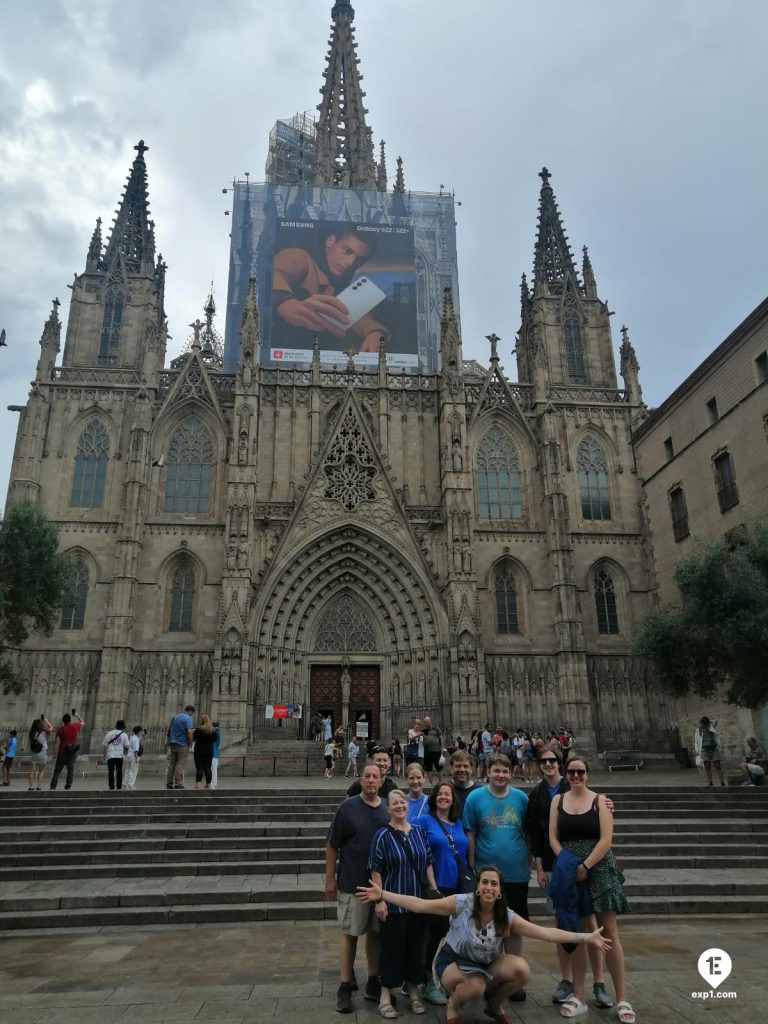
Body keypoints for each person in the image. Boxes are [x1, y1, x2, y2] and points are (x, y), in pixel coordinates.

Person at [357, 866, 612, 1024]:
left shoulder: (506, 916)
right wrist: (383, 895)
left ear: (499, 890)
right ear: (478, 886)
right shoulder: (461, 903)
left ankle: (494, 1005)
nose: (489, 887)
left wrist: (587, 937)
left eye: (494, 883)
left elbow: (545, 933)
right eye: (485, 882)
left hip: (484, 963)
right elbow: (419, 904)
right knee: (475, 986)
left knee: (522, 970)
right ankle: (453, 1006)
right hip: (453, 962)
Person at [549, 755, 632, 1022]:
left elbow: (606, 839)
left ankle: (622, 999)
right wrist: (568, 863)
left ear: (587, 774)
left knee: (610, 932)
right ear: (566, 774)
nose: (575, 776)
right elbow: (553, 837)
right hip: (570, 868)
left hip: (597, 867)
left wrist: (585, 865)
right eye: (571, 772)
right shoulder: (557, 801)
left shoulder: (600, 801)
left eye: (580, 772)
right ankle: (579, 997)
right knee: (578, 933)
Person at [527, 747, 612, 1008]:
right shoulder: (538, 794)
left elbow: (596, 813)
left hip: (587, 865)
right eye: (544, 761)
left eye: (553, 760)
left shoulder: (573, 785)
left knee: (590, 925)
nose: (549, 764)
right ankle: (567, 981)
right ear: (539, 765)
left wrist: (607, 804)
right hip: (558, 867)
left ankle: (598, 982)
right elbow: (537, 833)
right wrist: (540, 867)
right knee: (563, 924)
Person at [326, 763, 391, 1013]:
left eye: (376, 777)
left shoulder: (387, 808)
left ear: (382, 781)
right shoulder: (347, 807)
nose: (372, 780)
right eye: (367, 776)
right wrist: (330, 878)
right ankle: (344, 986)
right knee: (350, 933)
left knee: (376, 934)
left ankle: (373, 982)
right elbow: (332, 845)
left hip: (381, 887)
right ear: (361, 780)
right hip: (352, 881)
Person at [463, 753, 530, 993]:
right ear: (487, 771)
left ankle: (512, 973)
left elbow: (530, 831)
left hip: (516, 872)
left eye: (504, 771)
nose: (500, 775)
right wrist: (472, 866)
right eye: (496, 770)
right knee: (485, 924)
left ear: (510, 773)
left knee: (514, 926)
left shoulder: (522, 798)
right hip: (485, 875)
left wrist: (531, 862)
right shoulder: (475, 798)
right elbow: (470, 833)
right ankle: (486, 972)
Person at [368, 789, 438, 1018]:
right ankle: (385, 995)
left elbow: (428, 860)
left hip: (417, 902)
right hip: (393, 903)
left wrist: (433, 889)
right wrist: (379, 901)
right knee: (391, 949)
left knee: (414, 949)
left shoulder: (418, 832)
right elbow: (376, 869)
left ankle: (414, 993)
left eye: (402, 802)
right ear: (388, 808)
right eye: (394, 803)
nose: (399, 806)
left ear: (408, 806)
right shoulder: (382, 835)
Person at [272, 226, 389, 353]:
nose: (350, 263)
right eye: (347, 251)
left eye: (359, 259)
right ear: (330, 242)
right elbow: (274, 273)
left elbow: (361, 318)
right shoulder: (301, 257)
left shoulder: (343, 285)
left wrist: (375, 332)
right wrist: (286, 305)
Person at [415, 782, 470, 1005]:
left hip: (456, 886)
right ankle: (427, 980)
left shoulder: (458, 823)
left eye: (447, 794)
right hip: (434, 887)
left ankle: (441, 979)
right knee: (433, 934)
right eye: (440, 794)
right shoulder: (424, 820)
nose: (443, 797)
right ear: (434, 798)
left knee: (449, 936)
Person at [49, 709, 85, 791]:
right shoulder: (75, 726)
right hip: (72, 752)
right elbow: (83, 722)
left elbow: (57, 743)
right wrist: (76, 715)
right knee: (70, 770)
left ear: (63, 721)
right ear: (70, 720)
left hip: (62, 752)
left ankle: (53, 787)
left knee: (57, 770)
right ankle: (68, 786)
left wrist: (55, 753)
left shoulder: (60, 729)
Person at [166, 705, 195, 790]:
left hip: (173, 743)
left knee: (172, 763)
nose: (192, 715)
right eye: (192, 713)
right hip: (182, 744)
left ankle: (169, 783)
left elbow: (170, 729)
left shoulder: (175, 717)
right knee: (180, 763)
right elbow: (189, 732)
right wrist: (190, 742)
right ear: (190, 711)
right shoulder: (187, 718)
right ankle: (178, 783)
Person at [694, 716, 725, 786]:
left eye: (705, 724)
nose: (704, 726)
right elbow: (696, 742)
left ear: (707, 724)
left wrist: (708, 722)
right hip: (704, 750)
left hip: (714, 749)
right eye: (702, 724)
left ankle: (722, 782)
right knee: (707, 766)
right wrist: (697, 751)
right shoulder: (698, 730)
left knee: (717, 765)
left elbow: (715, 719)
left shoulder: (711, 727)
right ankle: (710, 782)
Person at [27, 714, 53, 791]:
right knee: (41, 771)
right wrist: (46, 721)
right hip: (42, 752)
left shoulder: (32, 733)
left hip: (35, 752)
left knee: (32, 770)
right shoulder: (43, 732)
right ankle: (39, 786)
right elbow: (51, 728)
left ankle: (31, 786)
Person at [102, 720, 129, 790]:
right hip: (119, 755)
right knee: (119, 771)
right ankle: (119, 787)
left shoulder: (109, 733)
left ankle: (111, 786)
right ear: (123, 727)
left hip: (110, 754)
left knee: (111, 771)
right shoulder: (124, 734)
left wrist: (104, 755)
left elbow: (104, 746)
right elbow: (127, 746)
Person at [193, 714, 217, 789]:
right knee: (208, 767)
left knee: (199, 766)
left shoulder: (198, 729)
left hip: (199, 750)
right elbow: (215, 740)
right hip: (209, 750)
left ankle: (198, 784)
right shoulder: (212, 730)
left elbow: (193, 738)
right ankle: (209, 784)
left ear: (201, 721)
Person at [124, 726, 143, 790]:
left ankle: (124, 783)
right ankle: (130, 785)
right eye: (141, 731)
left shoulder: (132, 737)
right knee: (133, 771)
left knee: (128, 770)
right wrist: (137, 758)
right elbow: (135, 749)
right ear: (139, 731)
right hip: (133, 756)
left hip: (129, 755)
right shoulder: (136, 739)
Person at [211, 720, 222, 789]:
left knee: (212, 770)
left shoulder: (215, 734)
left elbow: (217, 733)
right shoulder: (216, 736)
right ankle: (213, 784)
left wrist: (216, 729)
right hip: (214, 755)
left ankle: (212, 784)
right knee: (213, 770)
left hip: (212, 755)